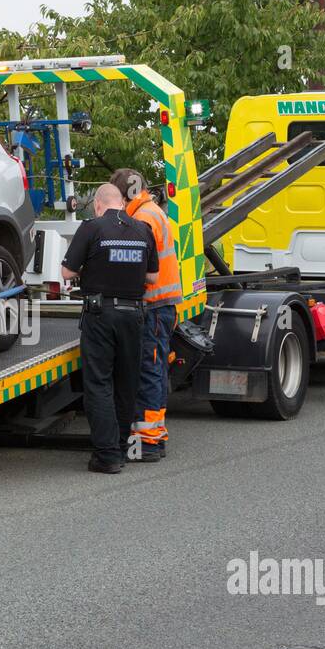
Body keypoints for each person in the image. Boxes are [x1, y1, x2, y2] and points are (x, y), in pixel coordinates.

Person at [61, 183, 158, 473]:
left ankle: (107, 456)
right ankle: (119, 448)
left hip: (100, 314)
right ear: (122, 203)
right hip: (134, 314)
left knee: (99, 383)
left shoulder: (92, 228)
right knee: (126, 383)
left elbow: (67, 272)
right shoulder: (143, 230)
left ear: (100, 205)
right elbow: (152, 276)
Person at [110, 168, 182, 463]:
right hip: (161, 305)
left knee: (149, 372)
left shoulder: (142, 219)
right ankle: (154, 437)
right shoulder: (152, 211)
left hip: (153, 305)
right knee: (154, 369)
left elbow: (138, 267)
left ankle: (149, 442)